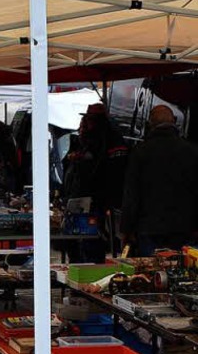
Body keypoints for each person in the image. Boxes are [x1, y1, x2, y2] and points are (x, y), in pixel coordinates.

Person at [122, 105, 198, 255]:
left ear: (150, 124)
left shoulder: (141, 152)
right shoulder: (192, 152)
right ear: (174, 121)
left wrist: (127, 229)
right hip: (184, 227)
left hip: (149, 228)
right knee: (183, 272)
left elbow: (132, 194)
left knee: (152, 271)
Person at [61, 103, 129, 262]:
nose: (85, 123)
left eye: (89, 119)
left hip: (95, 199)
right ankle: (78, 266)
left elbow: (113, 171)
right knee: (76, 238)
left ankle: (90, 268)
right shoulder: (85, 139)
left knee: (91, 238)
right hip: (81, 197)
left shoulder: (108, 139)